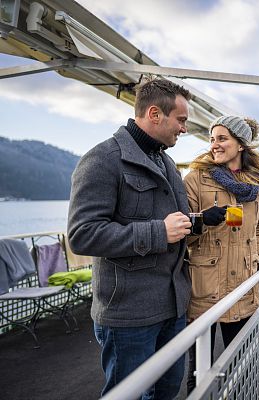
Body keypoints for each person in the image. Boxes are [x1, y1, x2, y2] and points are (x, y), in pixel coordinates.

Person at [68, 78, 194, 399]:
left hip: (172, 307)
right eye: (180, 120)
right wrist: (159, 232)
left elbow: (171, 220)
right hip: (129, 315)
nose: (184, 129)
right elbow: (83, 236)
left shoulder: (165, 162)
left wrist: (198, 222)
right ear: (154, 114)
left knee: (167, 390)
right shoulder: (102, 160)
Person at [184, 115, 259, 392]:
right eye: (212, 139)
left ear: (241, 145)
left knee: (242, 363)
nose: (214, 145)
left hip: (243, 285)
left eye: (222, 138)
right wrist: (201, 220)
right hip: (205, 286)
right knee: (200, 371)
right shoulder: (196, 179)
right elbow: (180, 227)